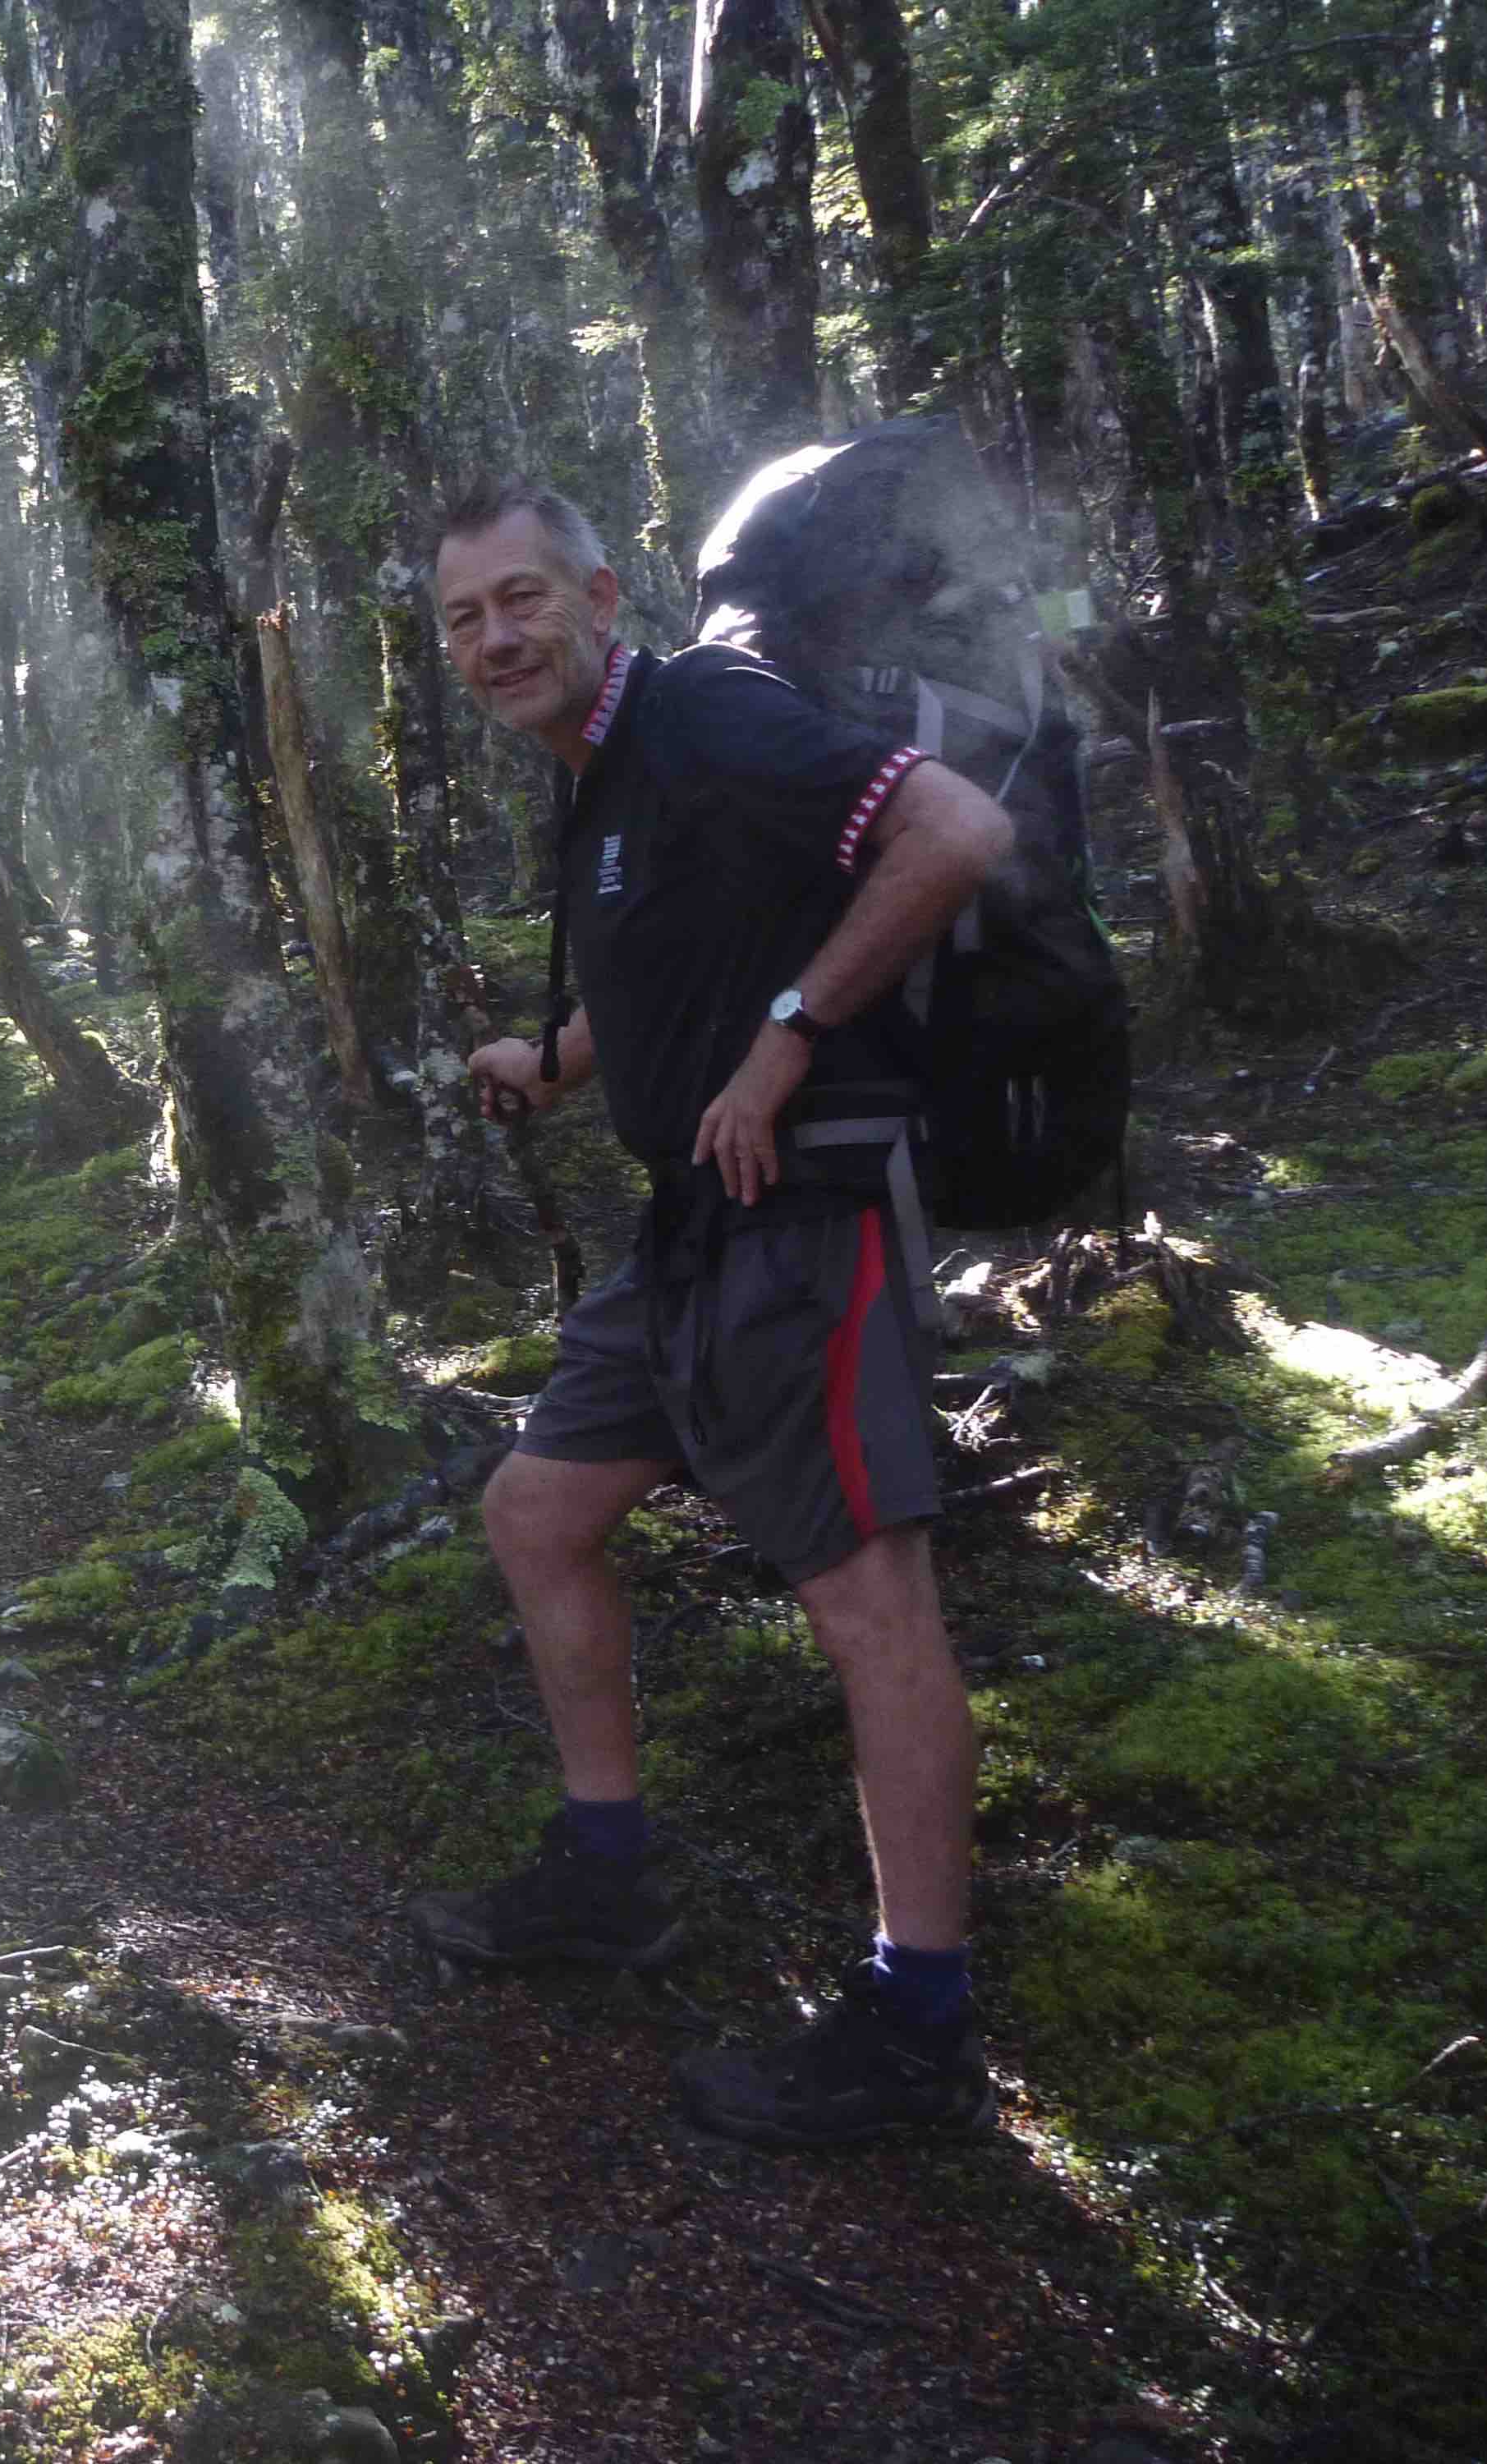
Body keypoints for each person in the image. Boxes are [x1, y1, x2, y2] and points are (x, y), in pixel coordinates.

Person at [411, 474, 1012, 2147]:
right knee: (536, 1512)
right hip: (687, 1224)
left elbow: (954, 835)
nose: (493, 638)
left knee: (867, 1602)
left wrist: (782, 1043)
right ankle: (612, 1879)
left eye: (520, 598)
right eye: (461, 618)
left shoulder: (713, 719)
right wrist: (553, 1064)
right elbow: (675, 950)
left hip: (800, 1211)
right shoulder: (605, 778)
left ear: (602, 598)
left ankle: (917, 2021)